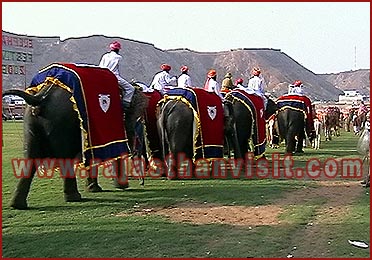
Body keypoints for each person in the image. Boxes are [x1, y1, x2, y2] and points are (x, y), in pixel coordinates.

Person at [99, 41, 135, 109]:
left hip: (102, 75)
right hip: (114, 76)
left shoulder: (105, 56)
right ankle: (125, 104)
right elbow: (121, 70)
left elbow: (100, 66)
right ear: (118, 50)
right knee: (131, 89)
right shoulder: (119, 57)